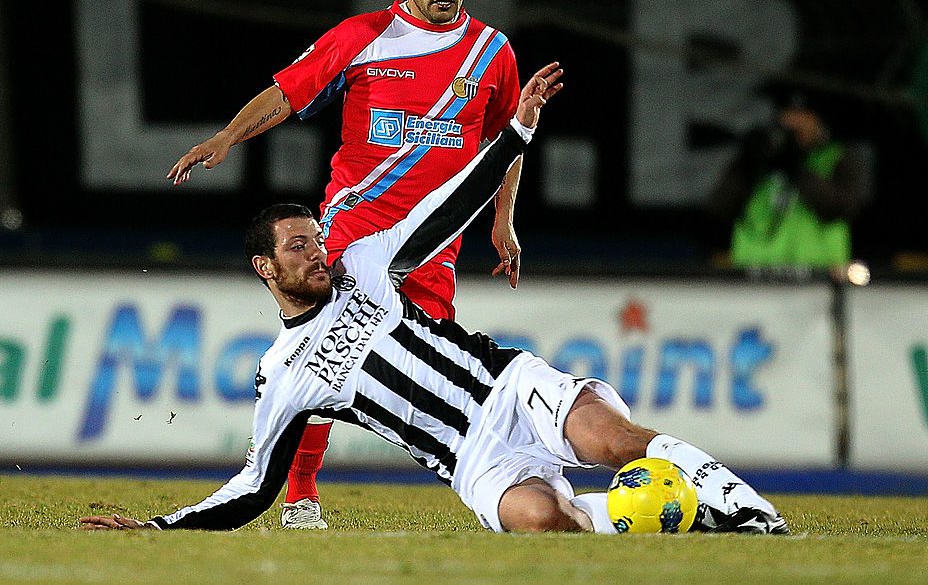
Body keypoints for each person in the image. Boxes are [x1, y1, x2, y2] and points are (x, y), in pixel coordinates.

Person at [83, 64, 788, 535]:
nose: (317, 253)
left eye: (316, 240)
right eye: (297, 248)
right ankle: (666, 516)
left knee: (614, 442)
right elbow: (255, 484)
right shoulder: (284, 373)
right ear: (265, 269)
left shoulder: (363, 263)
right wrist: (160, 526)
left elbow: (445, 208)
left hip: (508, 388)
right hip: (469, 457)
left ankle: (746, 507)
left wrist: (515, 133)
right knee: (548, 524)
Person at [167, 0, 525, 528]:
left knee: (436, 371)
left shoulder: (494, 52)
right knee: (326, 358)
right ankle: (300, 496)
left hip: (433, 241)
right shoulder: (365, 37)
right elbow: (286, 92)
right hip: (356, 227)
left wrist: (503, 220)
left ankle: (496, 481)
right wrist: (229, 135)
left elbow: (503, 142)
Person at [708, 89, 868, 269]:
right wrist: (747, 162)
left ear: (819, 121)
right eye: (788, 115)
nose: (794, 123)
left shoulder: (836, 157)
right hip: (755, 272)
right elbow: (720, 207)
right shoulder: (761, 159)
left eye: (804, 116)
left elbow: (841, 208)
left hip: (818, 273)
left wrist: (795, 168)